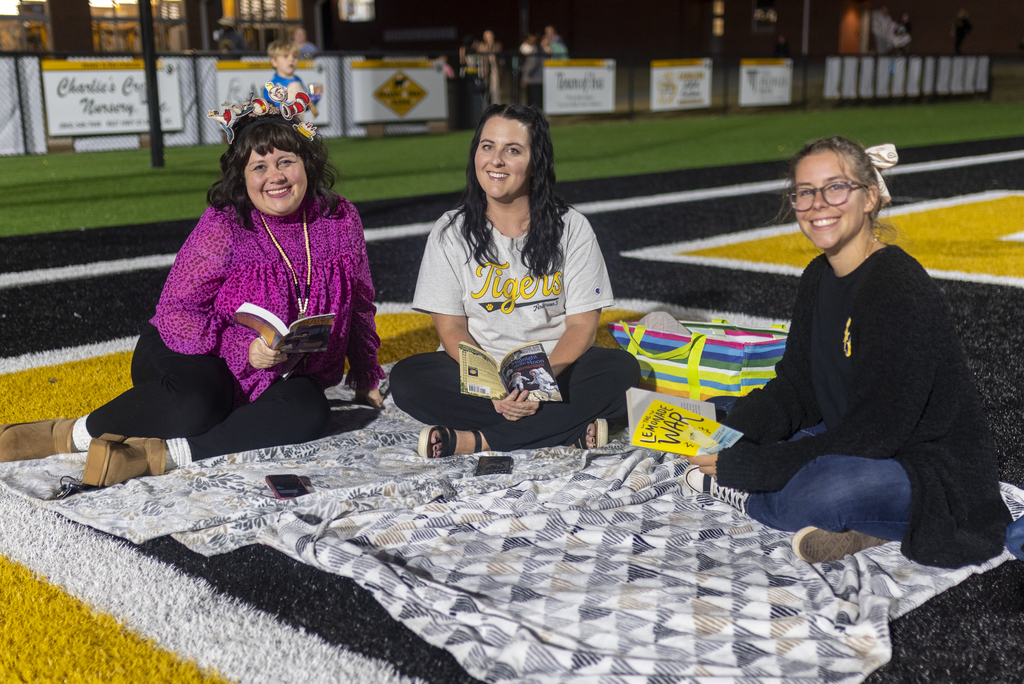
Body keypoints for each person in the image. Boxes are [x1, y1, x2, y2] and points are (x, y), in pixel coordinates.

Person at [0, 97, 385, 488]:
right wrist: (243, 350)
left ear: (308, 163)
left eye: (286, 161)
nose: (276, 176)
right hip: (189, 349)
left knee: (310, 411)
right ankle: (66, 434)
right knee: (198, 404)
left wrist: (366, 372)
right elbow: (175, 310)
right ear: (242, 176)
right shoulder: (225, 223)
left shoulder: (340, 217)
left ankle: (157, 456)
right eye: (259, 166)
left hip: (279, 369)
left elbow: (359, 303)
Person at [684, 137, 1011, 568]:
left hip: (922, 465)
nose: (819, 204)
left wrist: (755, 469)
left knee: (825, 489)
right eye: (805, 192)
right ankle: (857, 524)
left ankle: (754, 497)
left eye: (836, 188)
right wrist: (732, 432)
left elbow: (878, 432)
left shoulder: (897, 287)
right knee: (722, 414)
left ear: (869, 197)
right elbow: (797, 388)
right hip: (852, 439)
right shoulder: (817, 277)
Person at [390, 104, 640, 458]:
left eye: (513, 150)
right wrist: (493, 387)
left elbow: (582, 326)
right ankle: (565, 430)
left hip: (556, 369)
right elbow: (452, 331)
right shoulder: (450, 231)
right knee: (407, 379)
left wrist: (536, 387)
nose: (495, 161)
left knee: (621, 371)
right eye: (487, 146)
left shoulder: (572, 227)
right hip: (479, 371)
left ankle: (476, 440)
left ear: (536, 161)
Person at [475, 30, 503, 107]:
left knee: (495, 90)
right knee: (485, 90)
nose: (488, 37)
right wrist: (487, 46)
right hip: (485, 71)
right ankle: (485, 107)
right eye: (486, 36)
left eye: (490, 35)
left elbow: (498, 51)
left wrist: (491, 44)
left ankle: (496, 107)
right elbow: (480, 51)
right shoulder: (481, 45)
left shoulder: (497, 45)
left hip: (495, 70)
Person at [519, 33, 544, 109]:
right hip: (539, 79)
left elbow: (534, 63)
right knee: (537, 101)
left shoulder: (535, 50)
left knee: (531, 102)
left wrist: (529, 73)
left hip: (532, 80)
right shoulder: (540, 49)